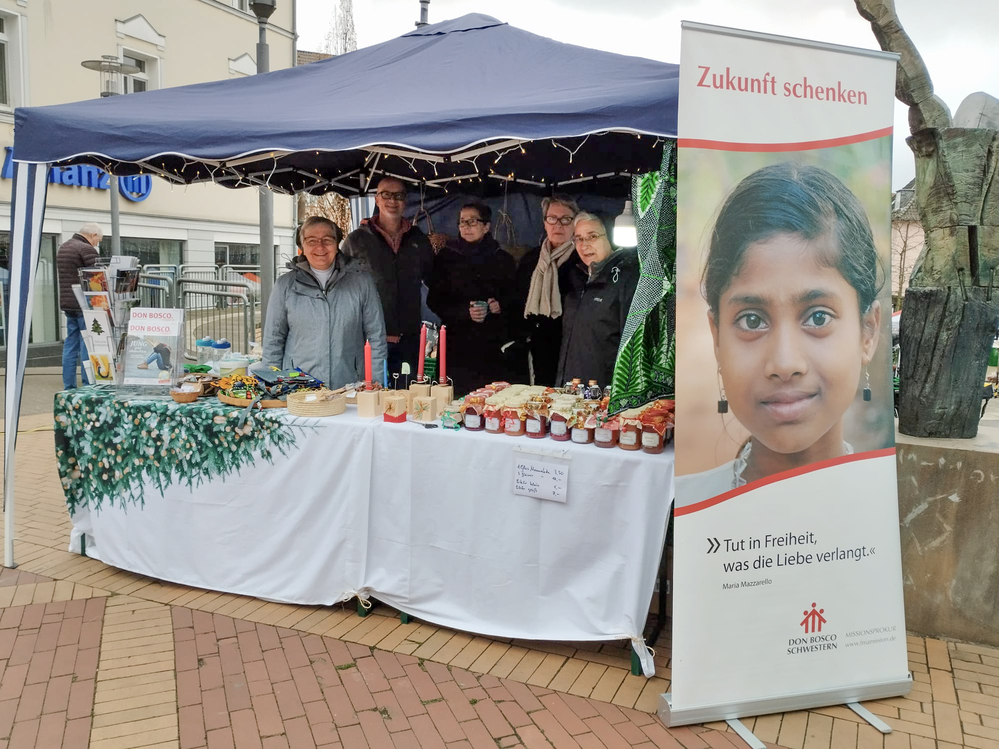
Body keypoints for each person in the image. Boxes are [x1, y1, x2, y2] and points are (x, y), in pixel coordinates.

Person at [679, 162, 884, 505]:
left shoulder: (889, 514)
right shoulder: (688, 509)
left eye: (818, 317)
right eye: (752, 321)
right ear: (717, 338)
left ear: (868, 332)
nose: (785, 363)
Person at [263, 216, 387, 389]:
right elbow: (273, 342)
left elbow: (376, 336)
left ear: (337, 245)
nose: (320, 246)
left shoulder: (361, 282)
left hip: (349, 387)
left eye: (327, 240)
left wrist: (376, 382)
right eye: (311, 240)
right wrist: (272, 387)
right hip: (298, 389)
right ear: (302, 247)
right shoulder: (285, 285)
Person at [340, 177, 434, 376]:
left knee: (407, 397)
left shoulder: (418, 239)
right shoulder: (357, 239)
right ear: (376, 199)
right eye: (386, 194)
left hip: (409, 338)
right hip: (370, 338)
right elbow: (341, 287)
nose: (393, 200)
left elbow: (435, 280)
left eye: (399, 195)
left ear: (405, 201)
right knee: (372, 398)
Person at [427, 201, 517, 394]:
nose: (466, 227)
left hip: (492, 347)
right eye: (462, 222)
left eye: (472, 221)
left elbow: (516, 298)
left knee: (489, 402)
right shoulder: (446, 258)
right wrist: (464, 312)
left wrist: (499, 305)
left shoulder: (502, 259)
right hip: (457, 346)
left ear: (486, 226)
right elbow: (434, 300)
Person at [555, 212, 640, 388]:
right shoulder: (576, 279)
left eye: (592, 237)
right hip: (573, 392)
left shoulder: (626, 279)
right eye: (578, 239)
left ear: (610, 237)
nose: (584, 245)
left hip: (604, 396)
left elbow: (634, 348)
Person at [515, 195, 580, 385]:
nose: (558, 225)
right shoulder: (531, 259)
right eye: (552, 218)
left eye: (566, 219)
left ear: (575, 223)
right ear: (545, 223)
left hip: (569, 347)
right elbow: (517, 299)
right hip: (536, 346)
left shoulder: (581, 259)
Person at [57, 222, 102, 389]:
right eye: (98, 240)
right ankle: (88, 384)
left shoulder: (64, 247)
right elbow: (97, 277)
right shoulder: (86, 249)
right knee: (87, 343)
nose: (97, 243)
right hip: (84, 303)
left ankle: (68, 386)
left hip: (68, 303)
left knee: (70, 344)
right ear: (93, 236)